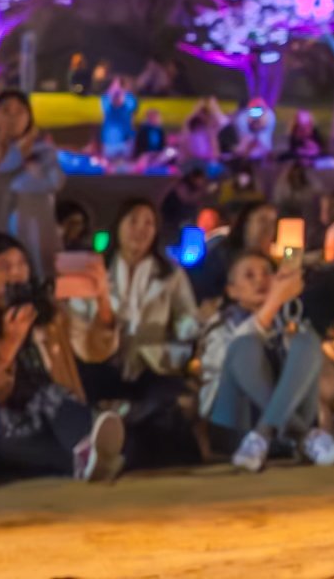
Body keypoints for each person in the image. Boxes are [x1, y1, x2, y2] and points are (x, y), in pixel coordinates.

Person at [0, 233, 126, 481]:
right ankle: (89, 459)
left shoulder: (47, 314)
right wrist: (7, 347)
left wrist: (103, 301)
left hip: (52, 419)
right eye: (4, 266)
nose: (16, 273)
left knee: (53, 396)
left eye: (22, 264)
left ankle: (87, 456)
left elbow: (95, 349)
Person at [64, 199, 203, 468]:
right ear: (118, 226)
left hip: (150, 364)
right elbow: (77, 318)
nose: (140, 229)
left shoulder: (171, 273)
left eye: (148, 223)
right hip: (103, 363)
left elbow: (186, 316)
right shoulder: (92, 269)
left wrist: (190, 327)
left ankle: (126, 420)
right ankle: (107, 433)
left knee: (166, 400)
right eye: (133, 221)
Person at [197, 250, 334, 471]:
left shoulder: (290, 323)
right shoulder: (220, 327)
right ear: (232, 290)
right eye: (249, 276)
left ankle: (264, 433)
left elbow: (328, 385)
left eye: (267, 273)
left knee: (306, 340)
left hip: (278, 425)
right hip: (237, 422)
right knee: (246, 347)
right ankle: (303, 436)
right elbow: (229, 366)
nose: (260, 280)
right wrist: (273, 304)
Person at [0, 92, 64, 268]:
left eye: (21, 111)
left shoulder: (43, 153)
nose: (13, 117)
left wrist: (15, 159)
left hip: (32, 243)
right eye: (6, 110)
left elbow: (53, 182)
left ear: (29, 118)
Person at [160, 166, 212, 241]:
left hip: (182, 214)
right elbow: (185, 199)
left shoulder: (198, 189)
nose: (201, 182)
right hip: (173, 213)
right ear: (193, 177)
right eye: (200, 179)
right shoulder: (182, 185)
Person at [98, 79, 138, 161]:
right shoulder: (105, 98)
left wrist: (121, 97)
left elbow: (130, 108)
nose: (115, 88)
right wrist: (113, 97)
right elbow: (107, 109)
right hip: (109, 139)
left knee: (126, 166)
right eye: (113, 85)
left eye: (117, 85)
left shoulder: (130, 98)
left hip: (126, 139)